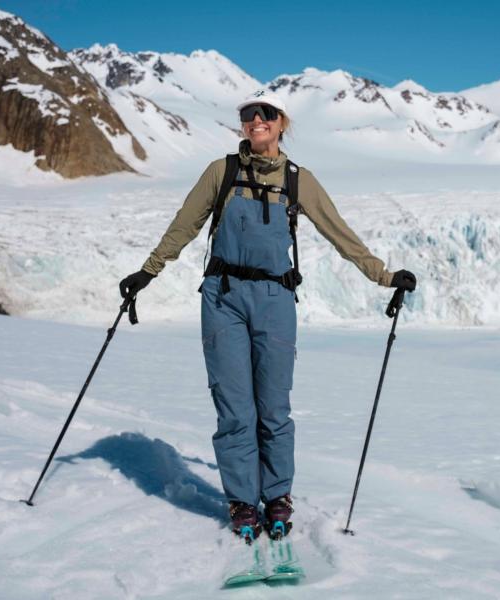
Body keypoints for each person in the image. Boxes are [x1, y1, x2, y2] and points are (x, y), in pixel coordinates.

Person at [119, 90, 417, 542]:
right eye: (247, 114)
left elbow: (342, 235)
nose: (256, 120)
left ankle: (277, 496)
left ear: (282, 123)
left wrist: (385, 276)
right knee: (234, 408)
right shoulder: (221, 172)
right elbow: (184, 225)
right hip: (222, 297)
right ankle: (242, 500)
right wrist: (148, 271)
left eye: (266, 114)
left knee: (273, 409)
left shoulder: (298, 181)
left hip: (276, 300)